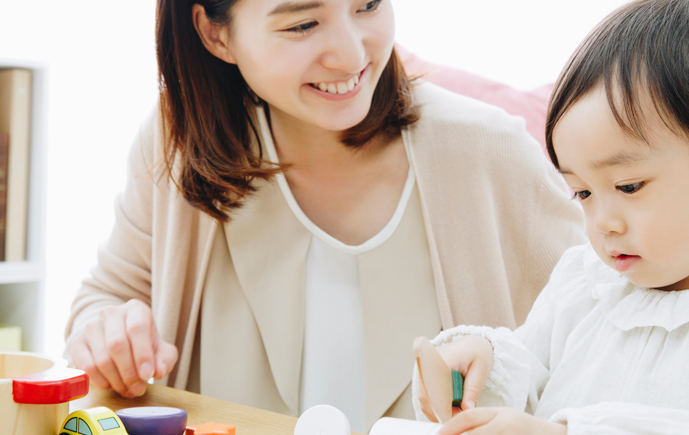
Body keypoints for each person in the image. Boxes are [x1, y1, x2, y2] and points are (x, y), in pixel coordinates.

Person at [63, 0, 586, 432]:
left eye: (368, 6)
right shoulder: (178, 145)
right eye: (303, 24)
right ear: (215, 34)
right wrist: (106, 334)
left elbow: (618, 331)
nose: (352, 54)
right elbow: (105, 298)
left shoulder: (487, 150)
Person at [415, 1, 689, 433]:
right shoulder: (585, 283)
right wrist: (481, 361)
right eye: (583, 192)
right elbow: (527, 367)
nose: (602, 223)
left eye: (628, 187)